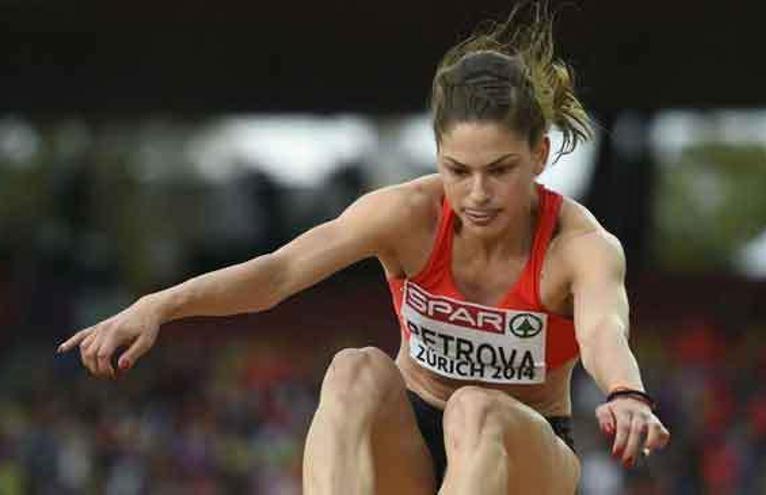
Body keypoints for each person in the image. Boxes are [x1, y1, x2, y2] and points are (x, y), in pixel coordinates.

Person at [58, 3, 670, 493]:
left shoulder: (579, 244)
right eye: (458, 170)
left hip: (523, 450)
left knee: (476, 410)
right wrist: (157, 305)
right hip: (408, 438)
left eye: (500, 169)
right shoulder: (405, 214)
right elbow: (279, 272)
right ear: (437, 158)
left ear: (538, 156)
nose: (477, 194)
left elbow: (601, 331)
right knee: (354, 368)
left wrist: (626, 392)